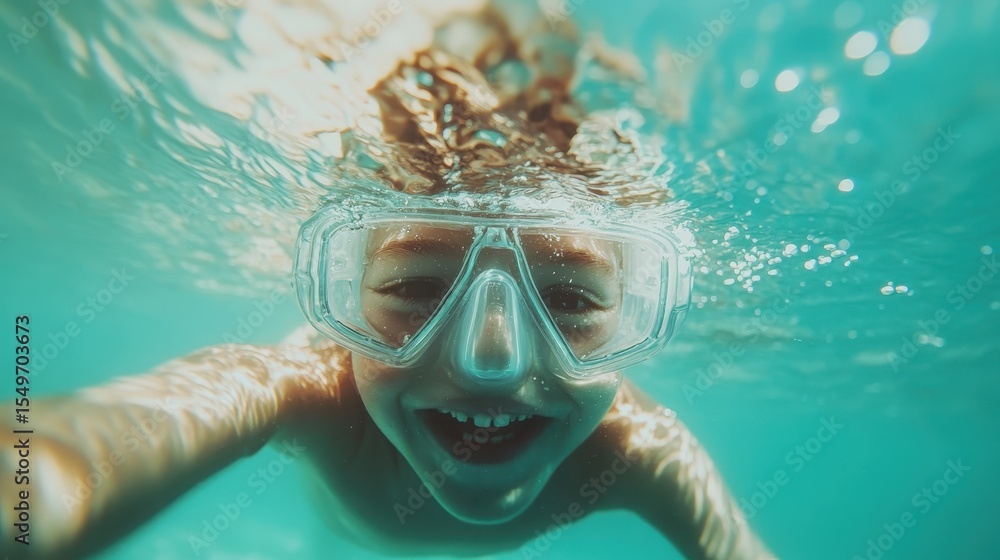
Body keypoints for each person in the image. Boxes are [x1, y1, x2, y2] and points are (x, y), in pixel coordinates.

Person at [0, 7, 776, 559]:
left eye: (571, 301)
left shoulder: (635, 450)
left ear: (632, 323)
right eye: (414, 290)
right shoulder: (305, 393)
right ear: (342, 301)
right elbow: (58, 472)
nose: (489, 365)